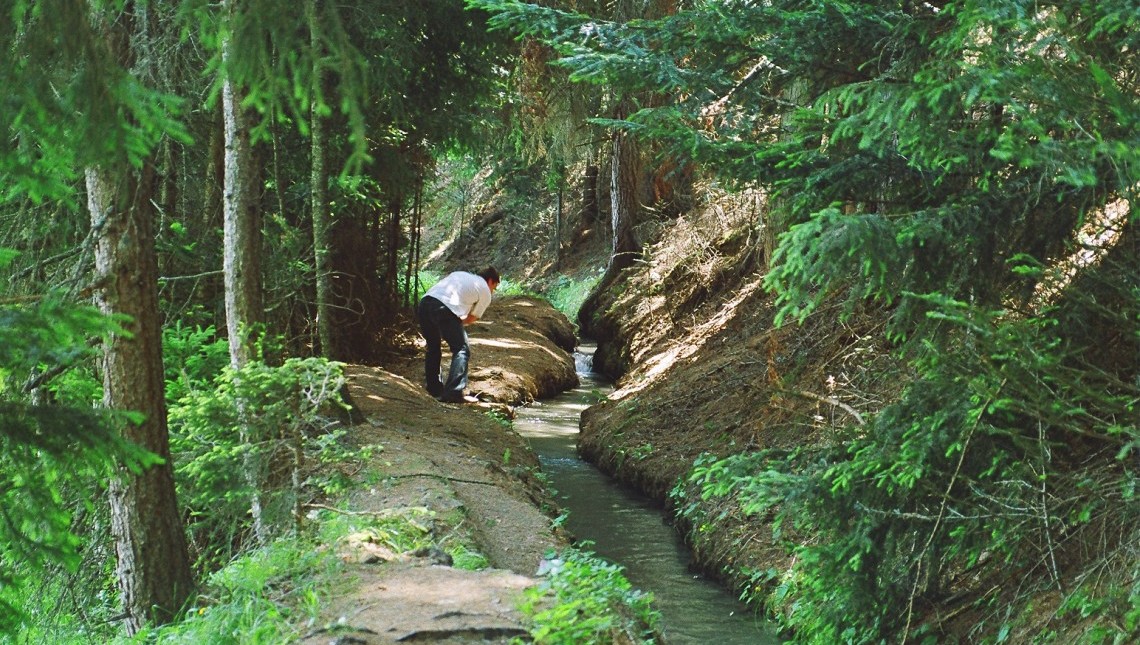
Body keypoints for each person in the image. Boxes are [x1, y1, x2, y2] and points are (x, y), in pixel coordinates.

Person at [416, 267, 500, 403]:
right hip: (444, 308)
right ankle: (454, 391)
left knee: (433, 347)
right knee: (462, 348)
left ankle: (434, 389)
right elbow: (472, 318)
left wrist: (451, 323)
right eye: (494, 287)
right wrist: (455, 323)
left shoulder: (460, 274)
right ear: (490, 281)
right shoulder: (484, 289)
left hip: (425, 304)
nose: (492, 291)